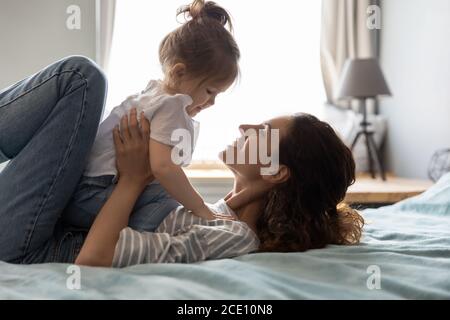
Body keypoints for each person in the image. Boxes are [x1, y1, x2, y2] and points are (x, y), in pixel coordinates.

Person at [63, 0, 241, 234]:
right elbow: (163, 167)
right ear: (179, 72)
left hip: (80, 193)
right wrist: (200, 208)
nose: (212, 102)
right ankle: (137, 241)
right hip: (93, 194)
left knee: (167, 190)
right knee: (167, 193)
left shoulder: (153, 94)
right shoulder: (174, 106)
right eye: (210, 91)